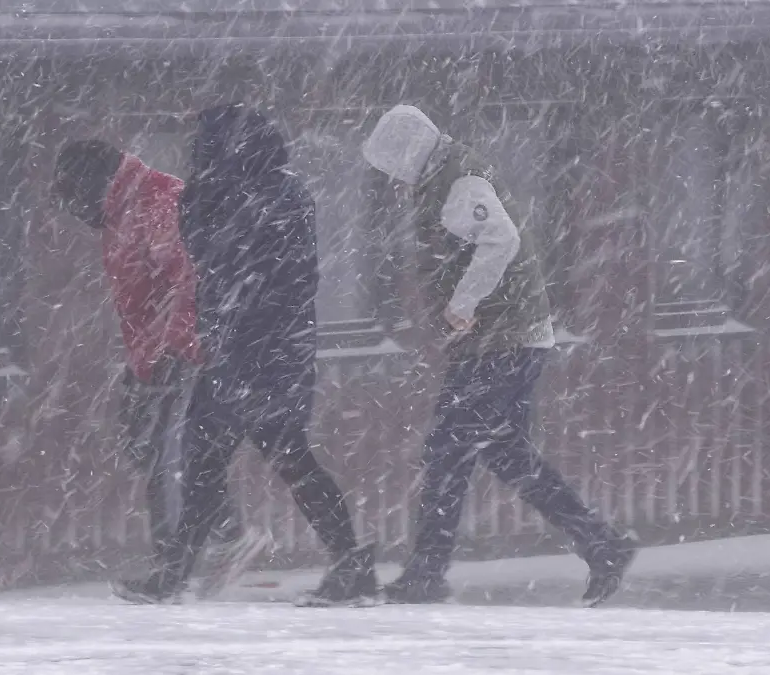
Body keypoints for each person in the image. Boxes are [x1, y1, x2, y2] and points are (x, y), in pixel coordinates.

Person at [362, 104, 637, 607]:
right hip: (510, 338)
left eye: (393, 163)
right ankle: (603, 545)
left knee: (447, 450)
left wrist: (463, 303)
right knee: (505, 454)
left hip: (501, 340)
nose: (394, 176)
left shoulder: (457, 185)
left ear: (407, 151)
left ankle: (427, 571)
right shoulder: (447, 176)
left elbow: (502, 239)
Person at [114, 103, 377, 607]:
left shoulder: (261, 200)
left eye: (206, 143)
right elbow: (217, 259)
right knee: (225, 463)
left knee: (247, 461)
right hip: (253, 352)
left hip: (255, 354)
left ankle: (176, 575)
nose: (198, 152)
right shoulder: (270, 194)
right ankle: (349, 564)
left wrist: (205, 204)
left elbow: (225, 263)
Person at [52, 140, 269, 597]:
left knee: (166, 455)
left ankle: (175, 567)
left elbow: (190, 278)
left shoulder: (156, 201)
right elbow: (140, 297)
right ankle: (219, 539)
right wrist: (143, 361)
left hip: (181, 351)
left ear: (94, 183)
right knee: (150, 446)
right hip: (153, 353)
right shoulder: (120, 212)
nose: (75, 211)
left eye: (74, 197)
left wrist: (177, 349)